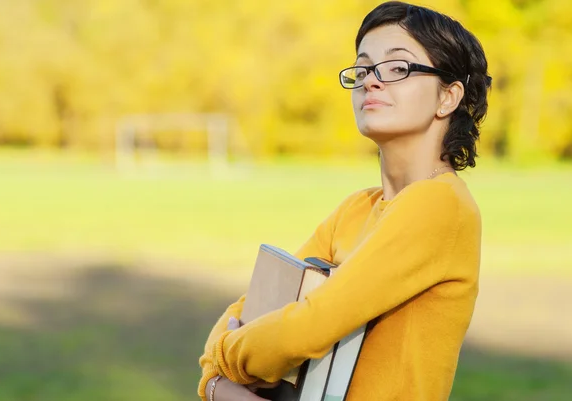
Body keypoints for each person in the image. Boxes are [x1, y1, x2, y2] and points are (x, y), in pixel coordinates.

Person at [198, 1, 492, 400]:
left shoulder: (442, 205)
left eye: (398, 67)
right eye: (364, 68)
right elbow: (256, 303)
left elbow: (307, 328)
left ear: (448, 97)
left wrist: (219, 371)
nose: (372, 81)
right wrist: (222, 375)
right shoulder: (356, 208)